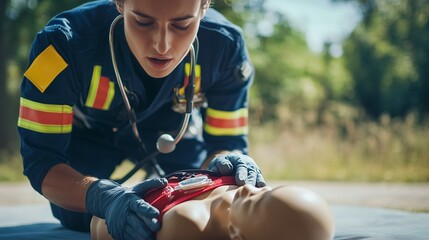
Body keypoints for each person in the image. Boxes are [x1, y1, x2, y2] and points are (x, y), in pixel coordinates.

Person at [17, 0, 265, 239]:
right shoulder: (60, 45)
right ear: (119, 3)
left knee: (193, 206)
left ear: (204, 8)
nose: (162, 45)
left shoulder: (226, 48)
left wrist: (225, 163)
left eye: (182, 25)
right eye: (143, 22)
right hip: (92, 135)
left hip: (174, 133)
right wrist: (101, 198)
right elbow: (42, 160)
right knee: (73, 214)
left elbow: (226, 141)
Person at [90, 170, 335, 240]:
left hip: (106, 214)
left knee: (71, 212)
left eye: (253, 204)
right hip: (159, 173)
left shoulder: (187, 225)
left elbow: (101, 227)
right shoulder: (241, 187)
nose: (250, 189)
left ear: (236, 236)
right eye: (265, 192)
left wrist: (108, 201)